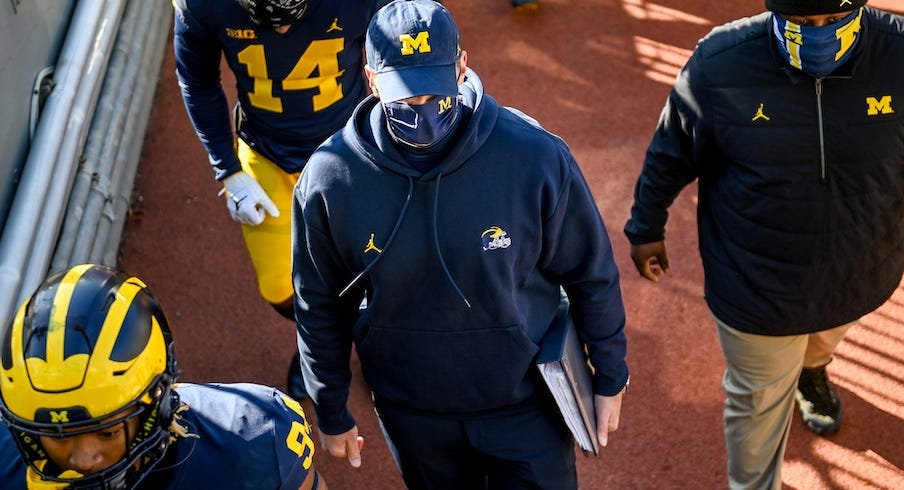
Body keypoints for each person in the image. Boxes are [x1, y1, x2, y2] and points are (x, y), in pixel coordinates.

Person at [291, 1, 629, 488]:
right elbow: (317, 301)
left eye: (436, 93)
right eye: (406, 101)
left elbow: (589, 271)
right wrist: (330, 405)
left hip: (526, 402)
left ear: (462, 66)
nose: (424, 114)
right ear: (370, 80)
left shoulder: (533, 156)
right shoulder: (329, 181)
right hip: (413, 412)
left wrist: (611, 375)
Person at [624, 0, 904, 488]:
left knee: (825, 337)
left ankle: (813, 370)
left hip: (860, 271)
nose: (818, 34)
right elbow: (670, 152)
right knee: (755, 403)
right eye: (800, 20)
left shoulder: (899, 53)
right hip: (756, 285)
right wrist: (646, 227)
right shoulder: (719, 63)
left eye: (834, 20)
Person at [173, 0, 388, 401]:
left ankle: (354, 340)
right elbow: (197, 80)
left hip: (351, 145)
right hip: (265, 150)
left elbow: (400, 54)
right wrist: (228, 169)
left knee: (378, 265)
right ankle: (331, 335)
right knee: (278, 286)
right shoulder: (201, 6)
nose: (283, 30)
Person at [0, 264, 324, 489]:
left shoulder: (255, 440)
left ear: (157, 401)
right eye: (59, 435)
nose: (84, 458)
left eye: (107, 432)